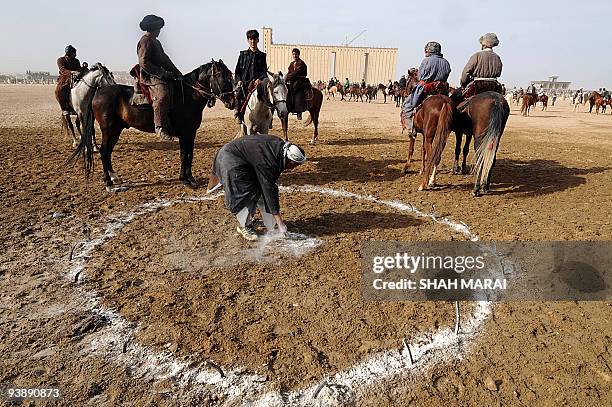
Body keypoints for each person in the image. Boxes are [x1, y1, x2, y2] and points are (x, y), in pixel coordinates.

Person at [208, 135, 306, 241]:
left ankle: (269, 223)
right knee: (245, 192)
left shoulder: (279, 148)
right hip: (231, 160)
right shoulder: (268, 162)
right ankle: (244, 225)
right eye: (294, 165)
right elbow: (269, 189)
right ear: (289, 159)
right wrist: (280, 222)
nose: (292, 169)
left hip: (243, 159)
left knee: (258, 187)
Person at [137, 14, 182, 141]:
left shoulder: (156, 42)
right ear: (154, 28)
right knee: (163, 95)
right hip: (150, 75)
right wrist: (163, 74)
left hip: (159, 73)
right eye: (158, 28)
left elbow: (165, 59)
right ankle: (159, 127)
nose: (160, 31)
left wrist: (177, 72)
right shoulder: (145, 41)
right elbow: (144, 63)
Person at [401, 41, 451, 135]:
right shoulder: (446, 62)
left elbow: (420, 77)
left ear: (429, 51)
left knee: (407, 105)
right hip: (442, 91)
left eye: (426, 51)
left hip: (427, 89)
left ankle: (411, 128)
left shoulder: (426, 60)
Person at [234, 29, 268, 124]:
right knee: (238, 94)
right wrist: (239, 80)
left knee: (268, 96)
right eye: (250, 39)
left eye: (254, 39)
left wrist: (260, 79)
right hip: (244, 83)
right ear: (248, 40)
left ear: (258, 40)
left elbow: (264, 72)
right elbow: (237, 71)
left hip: (257, 84)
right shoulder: (243, 55)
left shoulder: (262, 56)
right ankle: (238, 115)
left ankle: (268, 118)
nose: (252, 41)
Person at [459, 33, 503, 98]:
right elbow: (499, 73)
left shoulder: (477, 55)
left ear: (483, 45)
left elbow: (466, 72)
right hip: (494, 86)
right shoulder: (497, 57)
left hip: (478, 86)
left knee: (456, 99)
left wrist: (463, 83)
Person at [55, 45, 87, 117]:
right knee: (59, 90)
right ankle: (64, 109)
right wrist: (72, 72)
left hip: (76, 77)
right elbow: (62, 70)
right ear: (69, 53)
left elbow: (78, 69)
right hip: (64, 78)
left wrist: (83, 68)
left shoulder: (76, 61)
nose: (75, 54)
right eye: (74, 53)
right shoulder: (60, 60)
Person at [285, 48, 310, 120]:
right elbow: (289, 72)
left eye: (296, 54)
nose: (295, 55)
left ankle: (299, 110)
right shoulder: (291, 64)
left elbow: (296, 73)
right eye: (293, 54)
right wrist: (285, 77)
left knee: (295, 88)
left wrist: (287, 77)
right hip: (293, 80)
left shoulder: (301, 63)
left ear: (298, 55)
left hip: (300, 80)